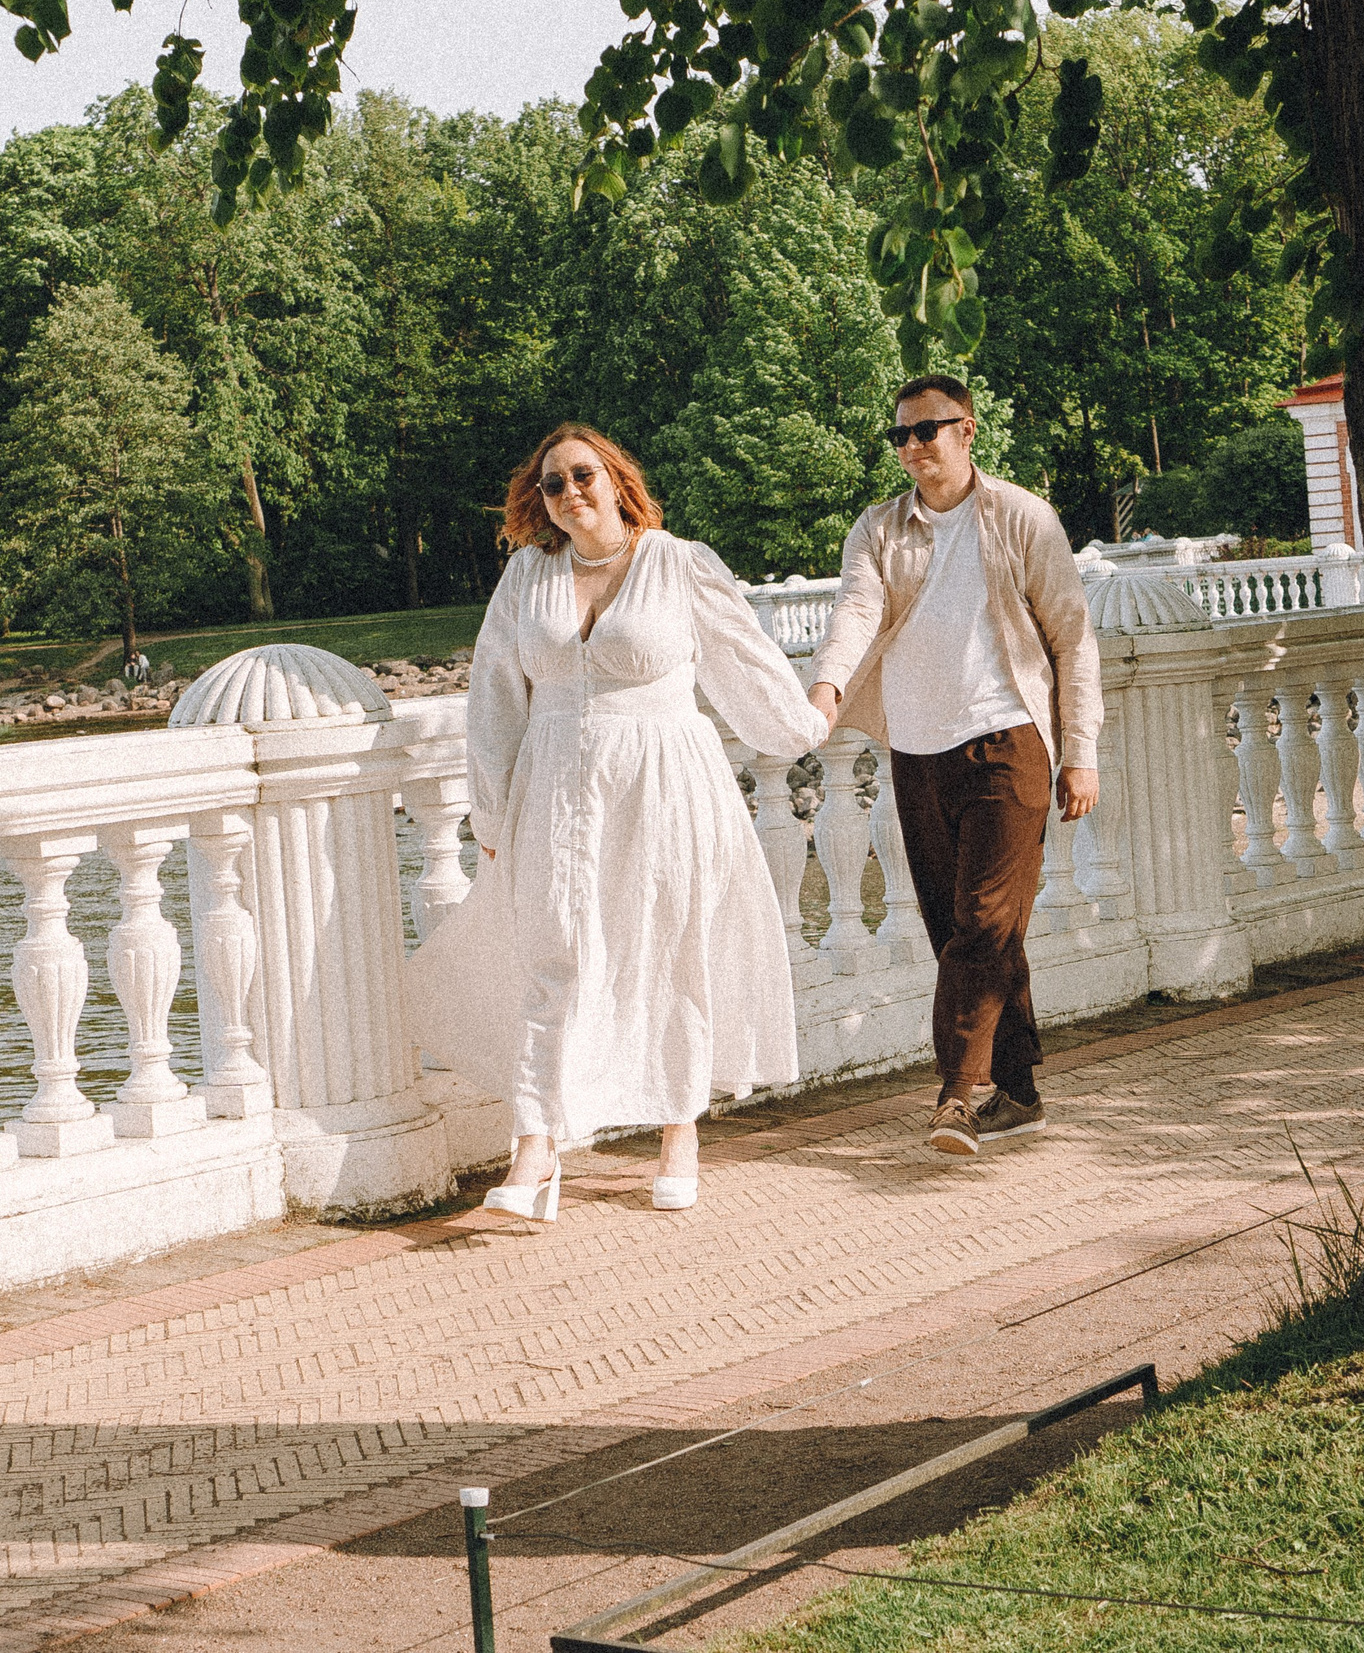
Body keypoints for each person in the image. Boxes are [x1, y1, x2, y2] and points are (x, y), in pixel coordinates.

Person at [405, 422, 827, 1220]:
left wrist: (805, 722)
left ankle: (678, 1131)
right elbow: (493, 699)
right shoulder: (527, 579)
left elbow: (746, 660)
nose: (570, 493)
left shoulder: (678, 563)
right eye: (553, 484)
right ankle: (535, 1148)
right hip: (556, 788)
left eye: (583, 475)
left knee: (671, 953)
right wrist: (490, 810)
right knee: (552, 953)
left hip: (666, 786)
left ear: (616, 479)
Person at [806, 375, 1101, 1157]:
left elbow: (1073, 639)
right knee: (966, 932)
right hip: (917, 750)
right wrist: (826, 688)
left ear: (967, 431)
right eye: (899, 436)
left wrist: (1084, 755)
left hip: (1011, 744)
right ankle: (1022, 1093)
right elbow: (856, 611)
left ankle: (955, 1097)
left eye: (926, 430)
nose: (911, 447)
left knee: (983, 922)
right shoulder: (877, 530)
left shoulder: (1022, 518)